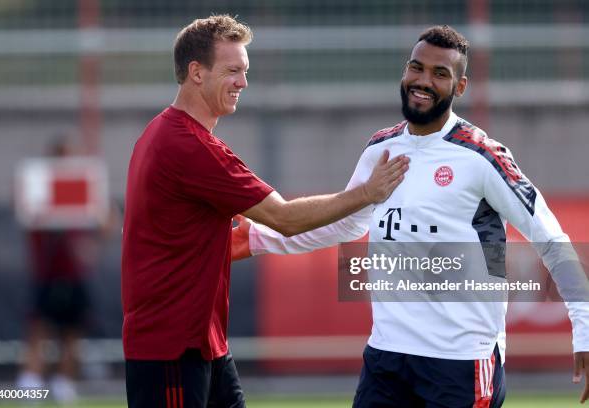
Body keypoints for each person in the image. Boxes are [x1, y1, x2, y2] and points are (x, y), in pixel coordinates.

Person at [233, 25, 589, 407]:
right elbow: (347, 221)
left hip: (461, 362)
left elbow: (550, 238)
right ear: (405, 71)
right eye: (416, 68)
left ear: (461, 87)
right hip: (387, 357)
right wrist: (256, 237)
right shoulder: (380, 149)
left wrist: (585, 331)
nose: (423, 81)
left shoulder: (482, 156)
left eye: (440, 74)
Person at [121, 15, 408, 408]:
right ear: (196, 73)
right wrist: (368, 192)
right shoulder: (189, 146)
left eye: (245, 71)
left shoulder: (160, 133)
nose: (243, 82)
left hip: (204, 343)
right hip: (171, 350)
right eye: (232, 70)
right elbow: (285, 217)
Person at [17, 135, 113, 403]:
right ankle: (29, 383)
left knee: (74, 331)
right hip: (48, 272)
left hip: (76, 274)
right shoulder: (39, 187)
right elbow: (28, 220)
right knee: (39, 329)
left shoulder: (85, 188)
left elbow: (105, 224)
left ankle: (63, 382)